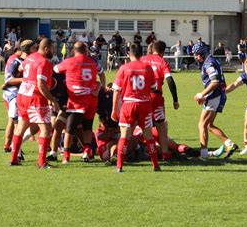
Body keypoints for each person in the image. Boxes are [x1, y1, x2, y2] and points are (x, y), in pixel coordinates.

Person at [9, 38, 60, 168]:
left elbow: (21, 67)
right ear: (46, 48)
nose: (54, 51)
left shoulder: (30, 57)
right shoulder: (44, 62)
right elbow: (41, 84)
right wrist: (52, 99)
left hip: (22, 96)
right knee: (46, 129)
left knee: (21, 127)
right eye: (53, 48)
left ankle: (14, 159)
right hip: (35, 98)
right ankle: (42, 162)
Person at [111, 44, 161, 172]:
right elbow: (154, 87)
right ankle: (155, 164)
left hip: (129, 103)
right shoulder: (147, 67)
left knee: (124, 136)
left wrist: (114, 109)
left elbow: (116, 90)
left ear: (129, 54)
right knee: (148, 136)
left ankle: (119, 166)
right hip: (144, 104)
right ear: (141, 54)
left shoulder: (124, 68)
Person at [53, 41, 106, 163]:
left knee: (70, 129)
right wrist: (100, 88)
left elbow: (55, 69)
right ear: (86, 50)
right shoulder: (93, 62)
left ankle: (66, 155)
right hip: (91, 99)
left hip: (77, 98)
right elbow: (102, 74)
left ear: (73, 51)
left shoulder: (69, 61)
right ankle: (86, 152)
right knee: (87, 127)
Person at [192, 42, 238, 159]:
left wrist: (202, 94)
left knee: (202, 124)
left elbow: (215, 82)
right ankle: (229, 144)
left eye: (197, 54)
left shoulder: (209, 63)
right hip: (216, 95)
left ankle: (203, 154)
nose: (195, 57)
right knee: (208, 125)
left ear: (202, 53)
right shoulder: (211, 60)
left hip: (215, 96)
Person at [141, 40, 180, 162]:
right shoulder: (163, 62)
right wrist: (175, 100)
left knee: (139, 125)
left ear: (152, 49)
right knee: (161, 127)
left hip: (141, 97)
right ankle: (165, 154)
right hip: (156, 97)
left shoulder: (142, 59)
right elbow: (170, 81)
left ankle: (139, 150)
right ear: (163, 52)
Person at [1, 40, 36, 153]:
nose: (36, 50)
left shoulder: (30, 60)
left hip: (23, 93)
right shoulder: (14, 61)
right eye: (35, 48)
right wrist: (27, 79)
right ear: (29, 49)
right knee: (16, 121)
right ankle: (16, 150)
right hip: (13, 94)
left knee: (16, 121)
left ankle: (10, 146)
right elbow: (9, 79)